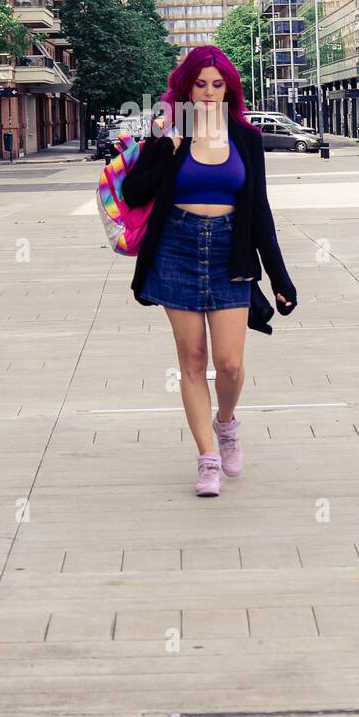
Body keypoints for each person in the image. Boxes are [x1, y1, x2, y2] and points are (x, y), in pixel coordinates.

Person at [121, 45, 297, 497]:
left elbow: (259, 211)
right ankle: (207, 460)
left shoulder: (246, 139)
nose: (207, 93)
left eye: (217, 85)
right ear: (186, 87)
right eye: (199, 84)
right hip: (175, 249)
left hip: (229, 252)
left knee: (230, 363)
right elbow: (136, 192)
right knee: (193, 361)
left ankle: (227, 424)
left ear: (229, 90)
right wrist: (164, 151)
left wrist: (280, 277)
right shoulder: (170, 133)